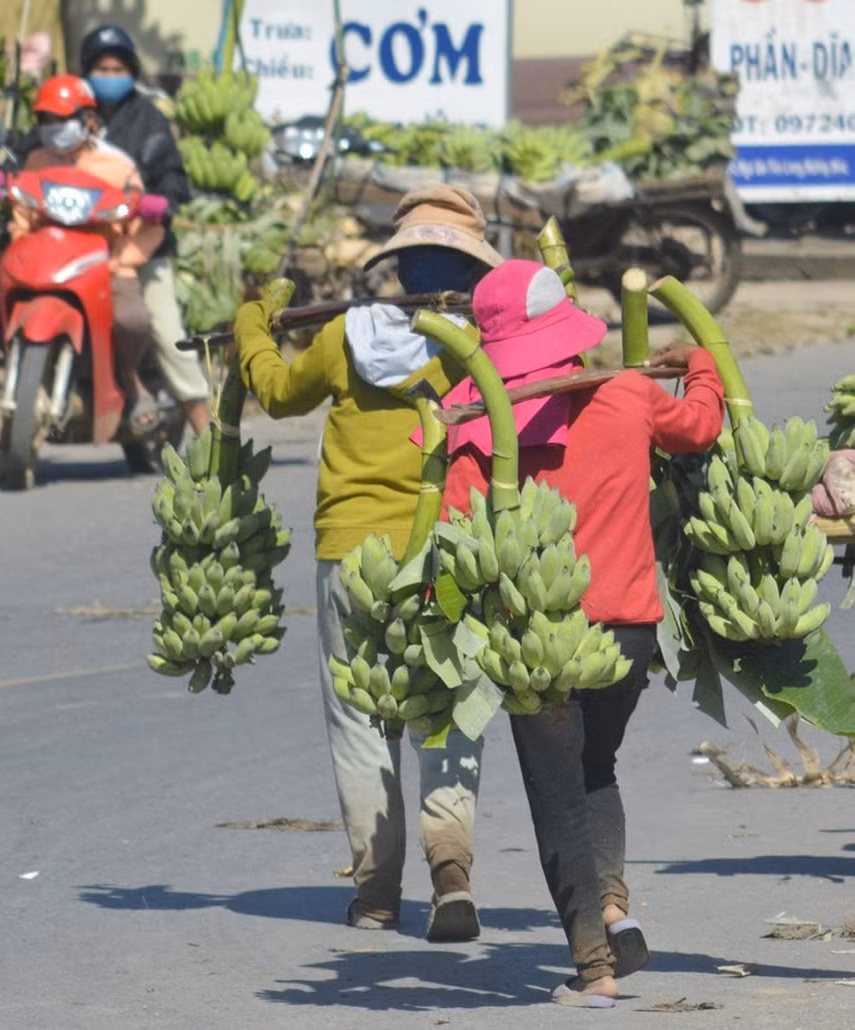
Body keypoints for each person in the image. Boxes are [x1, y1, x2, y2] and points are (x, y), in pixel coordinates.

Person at [441, 258, 725, 1005]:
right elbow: (699, 426)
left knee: (556, 790)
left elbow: (453, 533)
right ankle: (613, 911)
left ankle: (593, 966)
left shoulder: (473, 422)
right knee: (597, 764)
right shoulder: (629, 394)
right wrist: (699, 364)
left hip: (539, 637)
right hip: (628, 633)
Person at [233, 186, 503, 941]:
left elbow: (279, 393)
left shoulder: (350, 332)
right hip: (450, 550)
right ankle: (451, 870)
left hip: (351, 549)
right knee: (452, 711)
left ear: (400, 265)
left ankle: (378, 891)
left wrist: (254, 325)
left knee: (360, 720)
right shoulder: (484, 342)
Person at [0, 74, 162, 479]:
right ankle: (19, 400)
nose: (53, 126)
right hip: (44, 267)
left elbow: (142, 217)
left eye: (62, 117)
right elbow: (22, 219)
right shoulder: (34, 161)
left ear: (88, 119)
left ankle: (128, 380)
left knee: (131, 319)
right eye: (45, 118)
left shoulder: (117, 165)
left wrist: (123, 259)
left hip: (104, 267)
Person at [78, 23, 211, 435]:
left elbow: (173, 179)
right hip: (78, 247)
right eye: (101, 67)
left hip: (141, 249)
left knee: (168, 336)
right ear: (86, 71)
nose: (110, 75)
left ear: (132, 71)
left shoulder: (149, 119)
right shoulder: (72, 116)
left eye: (118, 68)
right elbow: (40, 153)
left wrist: (162, 203)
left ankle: (209, 436)